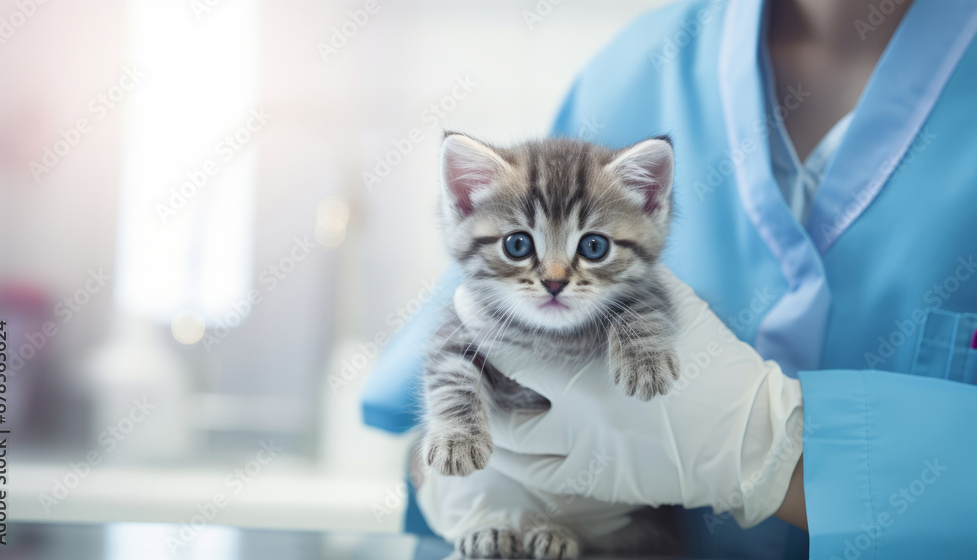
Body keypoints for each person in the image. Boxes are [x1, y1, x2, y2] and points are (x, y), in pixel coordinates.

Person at [361, 0, 977, 557]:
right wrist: (479, 495)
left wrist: (770, 447)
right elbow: (433, 425)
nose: (553, 274)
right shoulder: (635, 69)